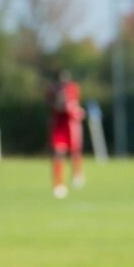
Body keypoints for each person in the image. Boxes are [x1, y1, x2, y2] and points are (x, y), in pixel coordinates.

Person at [47, 70, 85, 199]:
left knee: (75, 152)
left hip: (71, 123)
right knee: (58, 153)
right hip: (59, 125)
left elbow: (75, 105)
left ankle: (77, 174)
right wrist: (59, 104)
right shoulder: (53, 90)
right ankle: (58, 184)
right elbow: (52, 105)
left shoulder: (73, 88)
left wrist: (75, 110)